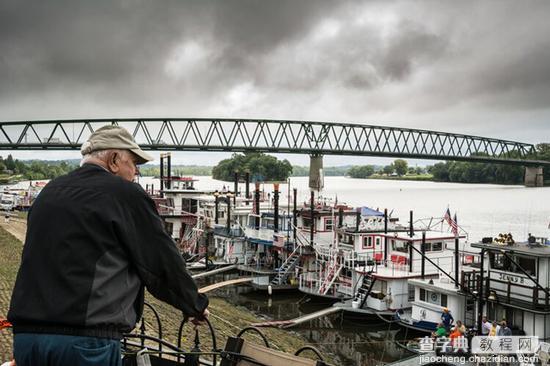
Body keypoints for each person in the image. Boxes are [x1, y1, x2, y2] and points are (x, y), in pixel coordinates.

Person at [8, 125, 209, 366]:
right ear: (114, 159)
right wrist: (194, 305)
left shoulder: (50, 192)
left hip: (27, 339)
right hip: (84, 343)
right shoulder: (124, 194)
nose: (135, 172)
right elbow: (160, 262)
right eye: (134, 164)